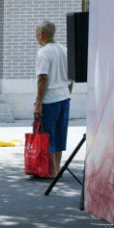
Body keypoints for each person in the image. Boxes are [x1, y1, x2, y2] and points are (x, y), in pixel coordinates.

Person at [34, 20, 72, 176]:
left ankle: (50, 171)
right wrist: (67, 92)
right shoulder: (64, 50)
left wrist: (38, 103)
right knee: (60, 133)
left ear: (42, 35)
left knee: (48, 134)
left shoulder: (43, 53)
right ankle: (57, 168)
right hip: (65, 97)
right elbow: (72, 77)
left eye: (37, 33)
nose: (36, 36)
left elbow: (43, 77)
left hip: (50, 100)